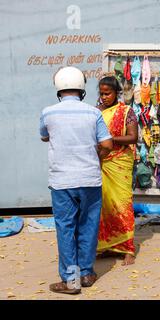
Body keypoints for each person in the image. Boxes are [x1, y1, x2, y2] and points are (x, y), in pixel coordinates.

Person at [40, 67, 113, 294]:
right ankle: (87, 273)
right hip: (90, 179)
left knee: (65, 227)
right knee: (89, 226)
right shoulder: (93, 113)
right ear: (81, 88)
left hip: (62, 181)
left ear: (59, 89)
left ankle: (71, 280)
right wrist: (94, 158)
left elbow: (44, 135)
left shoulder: (48, 113)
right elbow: (108, 144)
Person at [96, 76, 138, 265]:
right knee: (103, 205)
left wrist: (109, 139)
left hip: (119, 163)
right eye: (102, 93)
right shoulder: (95, 112)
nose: (104, 97)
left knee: (122, 203)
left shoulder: (127, 112)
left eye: (108, 93)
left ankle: (128, 248)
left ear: (116, 93)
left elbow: (132, 137)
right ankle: (107, 245)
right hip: (101, 161)